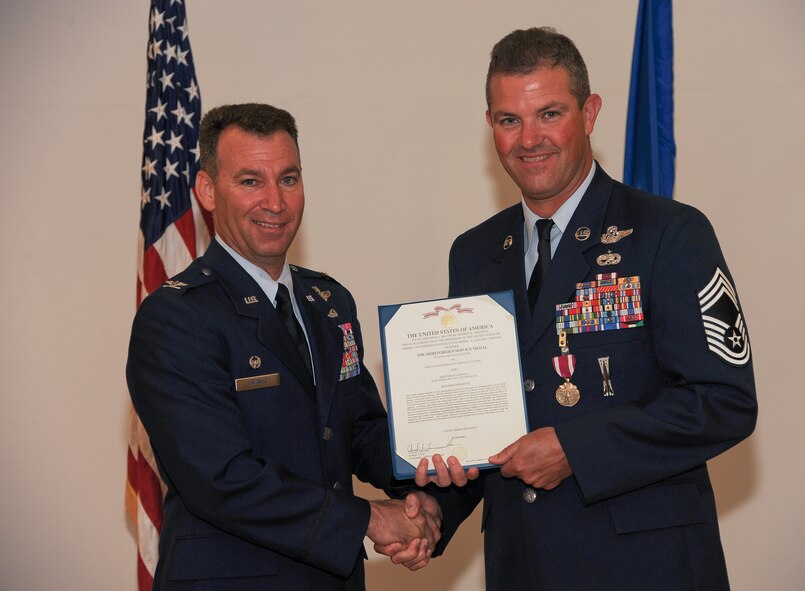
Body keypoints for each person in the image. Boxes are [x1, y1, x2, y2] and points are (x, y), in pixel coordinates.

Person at [412, 27, 757, 590]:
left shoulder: (669, 234)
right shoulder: (474, 254)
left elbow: (724, 401)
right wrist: (431, 515)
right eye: (509, 120)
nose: (530, 140)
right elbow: (485, 425)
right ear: (490, 127)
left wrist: (576, 448)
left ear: (589, 112)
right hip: (523, 566)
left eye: (549, 113)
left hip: (647, 569)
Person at [127, 103, 440, 590]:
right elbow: (222, 478)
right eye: (251, 181)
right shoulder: (176, 317)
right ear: (208, 191)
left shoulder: (328, 302)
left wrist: (434, 473)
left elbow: (358, 432)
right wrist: (370, 520)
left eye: (288, 179)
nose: (275, 201)